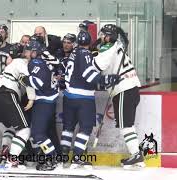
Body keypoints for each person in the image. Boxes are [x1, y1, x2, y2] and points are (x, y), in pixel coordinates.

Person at [60, 31, 121, 169]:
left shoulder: (73, 53)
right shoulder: (85, 54)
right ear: (89, 42)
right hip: (83, 98)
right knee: (85, 128)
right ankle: (77, 158)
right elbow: (88, 75)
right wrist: (107, 79)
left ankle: (64, 158)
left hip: (68, 97)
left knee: (68, 128)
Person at [93, 24, 144, 170]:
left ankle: (136, 155)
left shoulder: (108, 47)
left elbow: (98, 66)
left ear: (109, 36)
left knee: (125, 125)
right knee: (127, 124)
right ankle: (137, 156)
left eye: (103, 35)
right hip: (130, 88)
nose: (101, 37)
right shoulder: (117, 46)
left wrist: (90, 56)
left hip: (124, 90)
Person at [0, 41, 36, 168]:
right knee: (24, 130)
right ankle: (12, 159)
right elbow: (27, 81)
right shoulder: (21, 63)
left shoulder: (8, 66)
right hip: (6, 93)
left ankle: (5, 152)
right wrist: (31, 99)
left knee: (9, 127)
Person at [18, 40, 60, 171]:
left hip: (44, 101)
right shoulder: (45, 61)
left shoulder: (35, 62)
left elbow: (39, 83)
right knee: (40, 133)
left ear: (34, 52)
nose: (26, 53)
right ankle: (51, 158)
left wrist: (23, 79)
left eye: (28, 50)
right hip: (48, 101)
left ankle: (52, 159)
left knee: (38, 134)